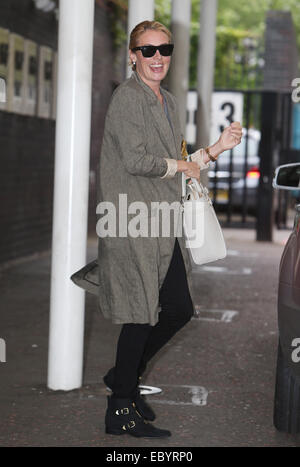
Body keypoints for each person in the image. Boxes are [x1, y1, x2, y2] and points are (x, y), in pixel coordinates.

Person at [97, 20, 242, 438]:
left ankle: (123, 376)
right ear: (132, 55)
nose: (157, 57)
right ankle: (120, 409)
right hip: (132, 220)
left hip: (163, 222)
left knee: (178, 309)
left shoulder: (170, 102)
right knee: (140, 315)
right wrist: (183, 165)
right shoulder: (128, 99)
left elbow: (180, 164)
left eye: (164, 49)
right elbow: (137, 161)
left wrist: (215, 149)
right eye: (147, 50)